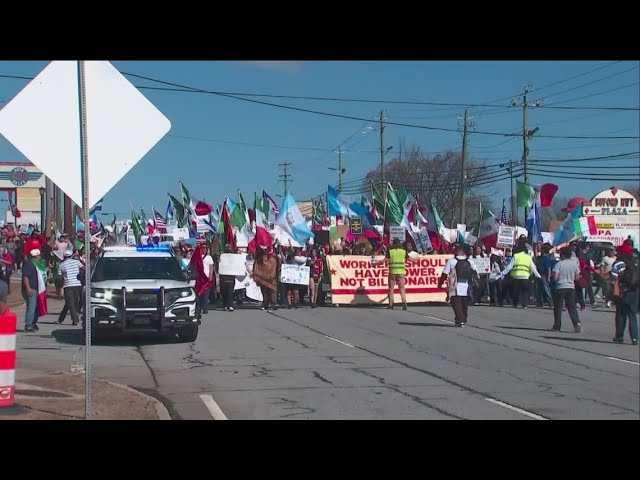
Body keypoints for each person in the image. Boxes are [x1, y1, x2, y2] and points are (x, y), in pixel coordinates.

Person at [438, 244, 478, 327]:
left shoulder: (452, 261)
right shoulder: (470, 261)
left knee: (456, 303)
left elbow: (444, 274)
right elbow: (476, 273)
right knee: (464, 304)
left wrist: (440, 283)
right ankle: (462, 318)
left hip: (455, 285)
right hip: (466, 286)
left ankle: (460, 319)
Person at [611, 240, 638, 345]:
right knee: (632, 315)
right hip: (635, 290)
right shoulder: (636, 260)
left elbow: (614, 278)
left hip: (623, 290)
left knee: (621, 314)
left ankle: (619, 336)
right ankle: (635, 338)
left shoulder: (619, 263)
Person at [550, 247, 583, 333]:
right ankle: (577, 323)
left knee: (558, 307)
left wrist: (554, 278)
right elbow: (577, 278)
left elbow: (555, 277)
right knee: (572, 307)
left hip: (560, 287)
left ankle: (557, 326)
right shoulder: (574, 264)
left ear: (563, 255)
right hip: (571, 287)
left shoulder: (559, 264)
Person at [499, 244, 542, 309]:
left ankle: (515, 304)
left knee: (516, 291)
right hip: (525, 277)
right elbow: (533, 268)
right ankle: (525, 305)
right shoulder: (528, 257)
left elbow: (509, 267)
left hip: (516, 277)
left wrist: (502, 273)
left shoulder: (516, 256)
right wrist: (538, 275)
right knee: (525, 291)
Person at [57, 250, 83, 326]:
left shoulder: (61, 265)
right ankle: (61, 319)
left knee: (70, 303)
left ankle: (75, 320)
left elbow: (60, 277)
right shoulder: (77, 262)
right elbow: (83, 268)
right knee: (70, 303)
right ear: (71, 255)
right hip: (77, 284)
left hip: (68, 285)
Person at [22, 249, 42, 332]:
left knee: (35, 307)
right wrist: (28, 288)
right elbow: (25, 276)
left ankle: (33, 323)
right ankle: (28, 325)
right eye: (39, 255)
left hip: (37, 288)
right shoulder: (29, 264)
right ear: (36, 256)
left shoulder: (37, 264)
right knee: (31, 307)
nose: (40, 257)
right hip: (31, 288)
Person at [386, 238, 408, 310]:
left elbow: (385, 260)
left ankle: (391, 304)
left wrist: (376, 262)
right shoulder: (403, 251)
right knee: (401, 288)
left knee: (391, 288)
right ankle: (404, 302)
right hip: (401, 272)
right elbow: (410, 258)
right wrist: (418, 258)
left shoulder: (390, 251)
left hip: (392, 272)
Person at [535, 243, 554, 308]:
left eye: (542, 249)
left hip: (544, 275)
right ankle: (539, 303)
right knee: (538, 290)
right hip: (538, 274)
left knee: (546, 289)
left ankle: (550, 303)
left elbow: (548, 268)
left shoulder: (547, 258)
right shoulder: (539, 258)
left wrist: (549, 276)